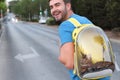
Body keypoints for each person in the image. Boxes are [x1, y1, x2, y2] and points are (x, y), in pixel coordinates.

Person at [49, 0, 111, 80]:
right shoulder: (84, 20)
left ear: (68, 6)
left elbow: (69, 63)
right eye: (51, 7)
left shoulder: (65, 26)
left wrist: (61, 56)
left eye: (57, 5)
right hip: (103, 75)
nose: (54, 10)